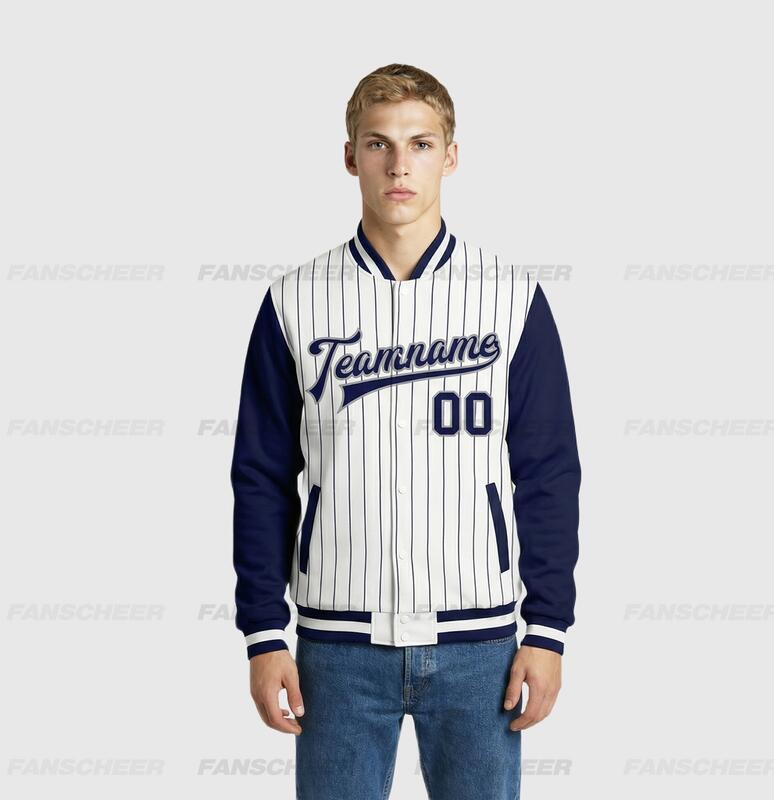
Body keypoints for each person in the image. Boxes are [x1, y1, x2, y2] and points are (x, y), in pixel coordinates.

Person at [230, 62, 581, 800]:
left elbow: (548, 470)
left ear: (450, 157)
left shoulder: (510, 297)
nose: (399, 165)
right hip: (335, 645)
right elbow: (260, 476)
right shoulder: (296, 301)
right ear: (349, 156)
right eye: (378, 143)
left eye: (420, 144)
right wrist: (263, 633)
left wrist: (547, 629)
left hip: (480, 644)